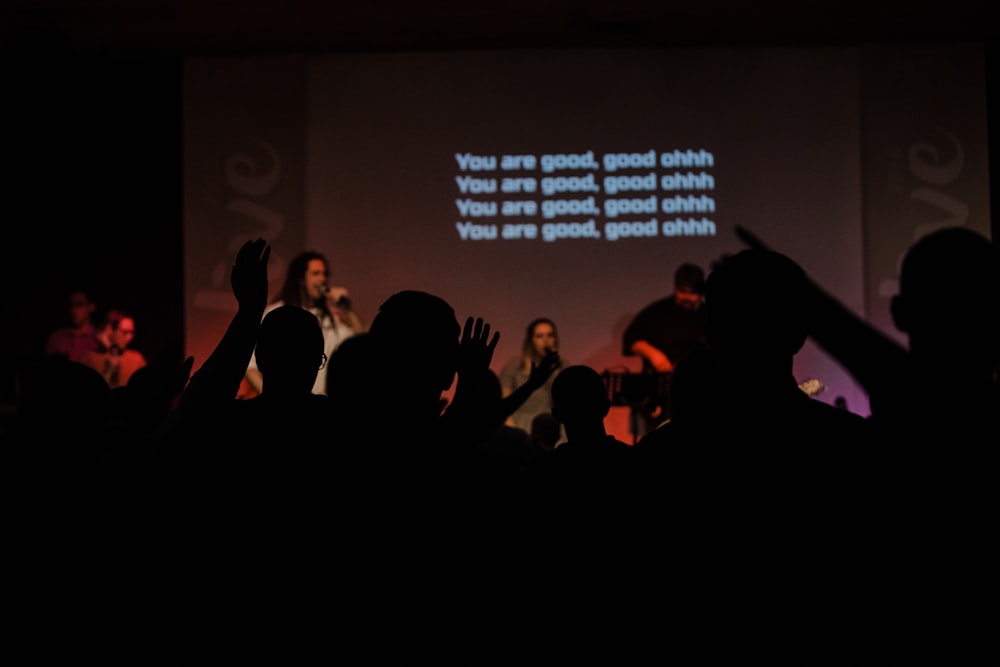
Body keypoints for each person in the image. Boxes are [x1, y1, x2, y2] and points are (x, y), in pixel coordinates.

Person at [243, 249, 364, 396]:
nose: (322, 279)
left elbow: (362, 341)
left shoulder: (330, 319)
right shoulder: (275, 313)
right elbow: (250, 366)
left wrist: (345, 308)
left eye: (324, 274)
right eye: (315, 274)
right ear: (301, 278)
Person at [621, 262, 708, 436]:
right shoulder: (658, 311)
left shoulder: (709, 315)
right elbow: (631, 338)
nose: (687, 298)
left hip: (700, 393)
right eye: (682, 291)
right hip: (660, 392)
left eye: (692, 293)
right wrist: (654, 356)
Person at [498, 317, 566, 438]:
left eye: (550, 335)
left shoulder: (563, 366)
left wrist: (556, 371)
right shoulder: (515, 366)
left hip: (550, 427)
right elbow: (504, 402)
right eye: (540, 336)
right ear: (531, 340)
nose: (546, 341)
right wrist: (514, 433)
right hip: (519, 425)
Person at [79, 308, 148, 389]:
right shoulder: (89, 358)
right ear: (109, 329)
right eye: (124, 332)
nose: (129, 337)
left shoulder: (136, 358)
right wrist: (109, 371)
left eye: (132, 333)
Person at [43, 288, 100, 363]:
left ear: (91, 307)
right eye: (71, 305)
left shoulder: (99, 338)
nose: (74, 310)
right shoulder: (57, 337)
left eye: (79, 305)